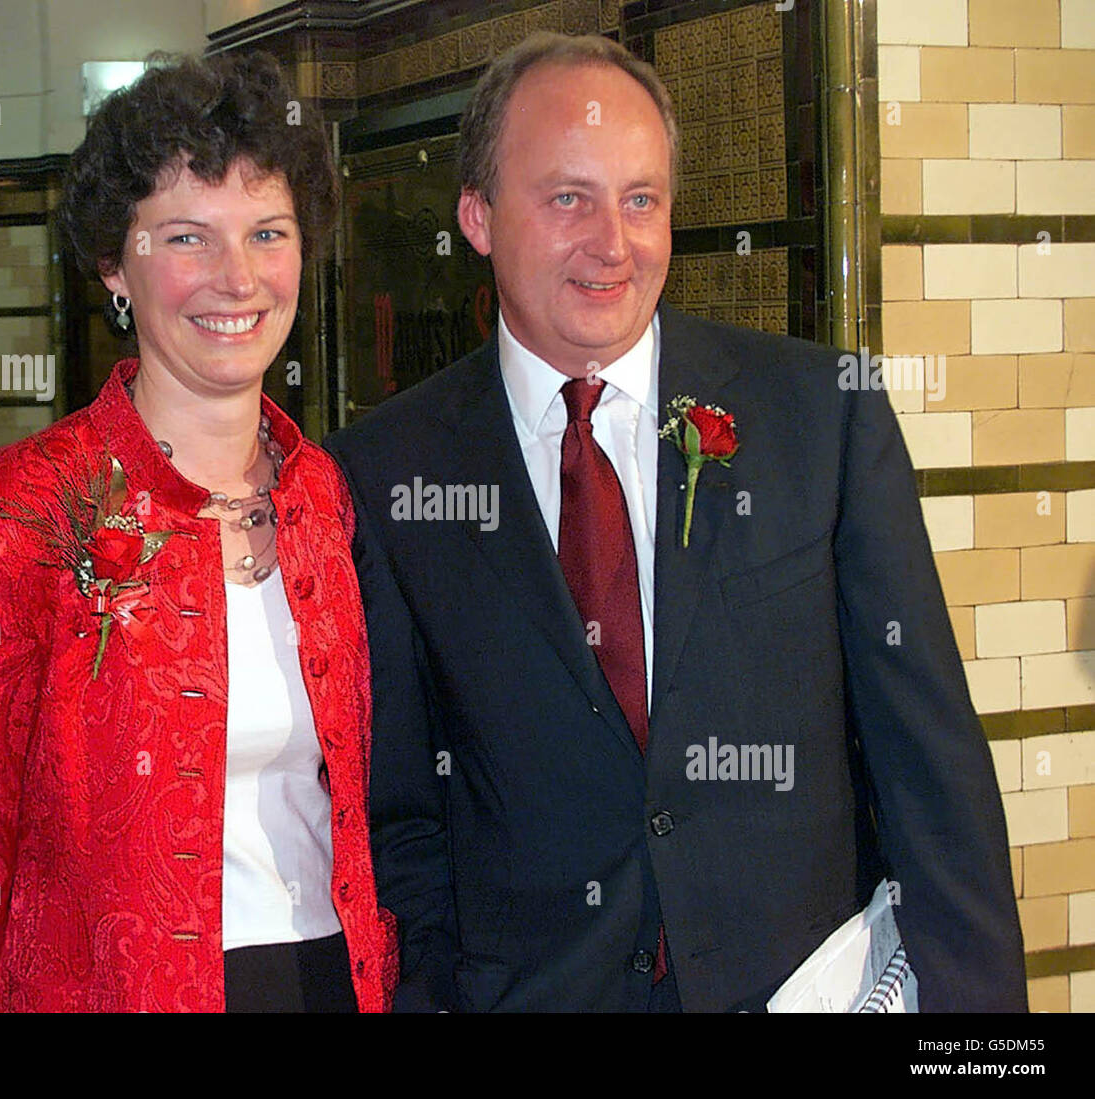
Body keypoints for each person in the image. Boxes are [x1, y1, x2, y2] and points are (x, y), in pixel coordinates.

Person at [325, 31, 1026, 1012]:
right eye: (567, 197)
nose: (612, 242)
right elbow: (401, 817)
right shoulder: (387, 467)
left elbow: (931, 773)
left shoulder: (817, 413)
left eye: (640, 198)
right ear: (478, 217)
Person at [0, 50, 397, 1013]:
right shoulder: (2, 524)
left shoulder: (321, 494)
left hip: (333, 978)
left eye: (268, 232)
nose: (237, 276)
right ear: (116, 265)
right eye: (188, 238)